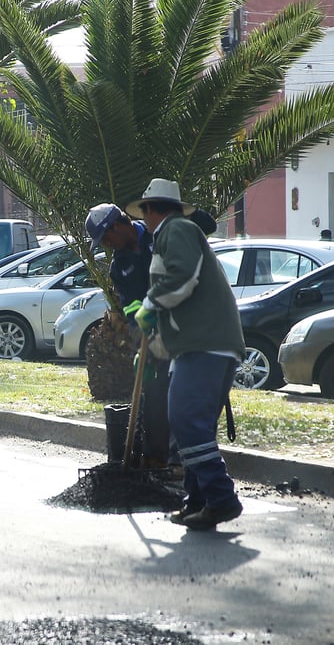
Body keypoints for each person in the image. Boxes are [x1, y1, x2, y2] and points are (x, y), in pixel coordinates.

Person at [129, 179, 245, 531]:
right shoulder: (176, 229)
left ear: (152, 209)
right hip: (201, 345)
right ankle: (197, 501)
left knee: (187, 423)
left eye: (144, 213)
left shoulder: (174, 230)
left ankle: (221, 498)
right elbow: (180, 303)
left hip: (205, 346)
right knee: (190, 428)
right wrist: (155, 350)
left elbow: (182, 278)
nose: (144, 220)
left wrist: (149, 305)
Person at [86, 201, 218, 473]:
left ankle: (184, 459)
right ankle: (157, 462)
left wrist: (176, 207)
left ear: (118, 225)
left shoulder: (159, 231)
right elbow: (131, 306)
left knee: (184, 394)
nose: (106, 245)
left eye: (106, 237)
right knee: (155, 395)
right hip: (157, 337)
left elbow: (208, 226)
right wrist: (139, 339)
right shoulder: (119, 266)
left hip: (189, 328)